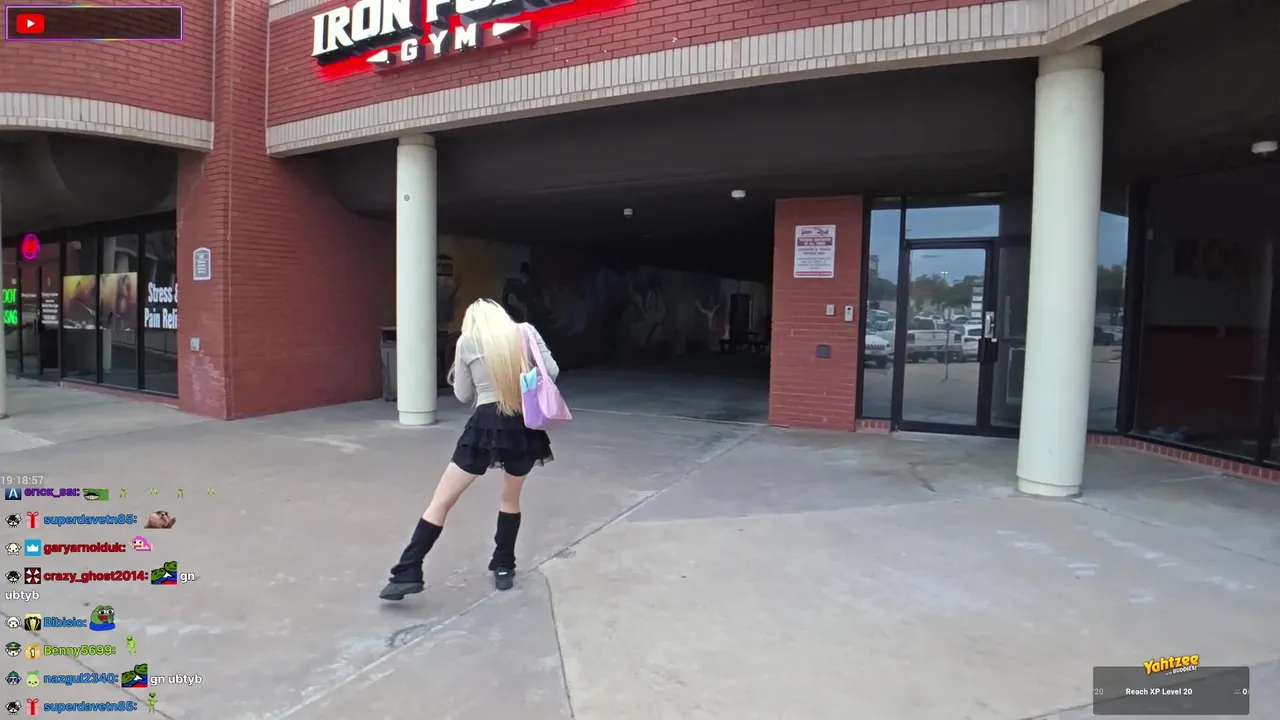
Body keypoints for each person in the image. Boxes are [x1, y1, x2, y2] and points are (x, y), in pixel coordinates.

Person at [380, 298, 559, 602]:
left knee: (442, 501)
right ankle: (503, 565)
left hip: (485, 425)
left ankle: (407, 571)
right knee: (510, 498)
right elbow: (551, 372)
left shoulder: (467, 341)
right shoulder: (526, 331)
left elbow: (463, 395)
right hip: (523, 425)